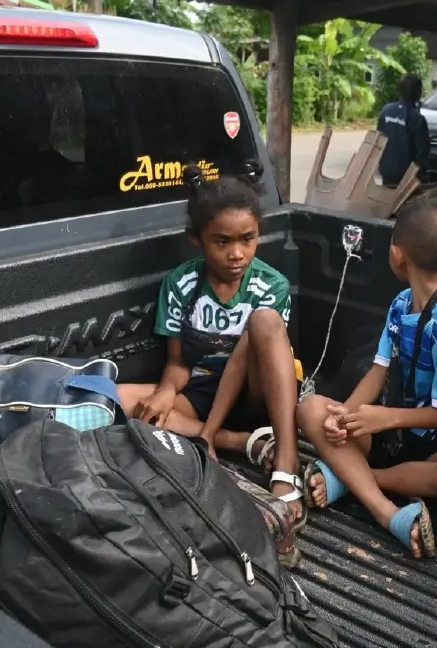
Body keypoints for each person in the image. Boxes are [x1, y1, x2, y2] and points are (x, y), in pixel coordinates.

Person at [296, 197, 437, 558]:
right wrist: (346, 414)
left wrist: (386, 418)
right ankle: (382, 504)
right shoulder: (401, 304)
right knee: (311, 408)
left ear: (397, 255)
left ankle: (357, 484)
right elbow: (379, 370)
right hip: (389, 435)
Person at [117, 164, 306, 521]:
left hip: (256, 393)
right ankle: (238, 442)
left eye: (247, 239)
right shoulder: (180, 284)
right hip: (202, 390)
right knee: (122, 399)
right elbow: (178, 363)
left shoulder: (271, 285)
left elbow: (262, 353)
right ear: (196, 238)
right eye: (222, 241)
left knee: (263, 322)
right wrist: (166, 391)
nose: (237, 253)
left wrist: (208, 426)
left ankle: (285, 457)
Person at [376, 74, 430, 187]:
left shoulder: (386, 111)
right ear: (419, 93)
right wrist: (423, 177)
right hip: (407, 177)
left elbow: (378, 139)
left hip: (386, 171)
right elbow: (421, 154)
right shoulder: (418, 119)